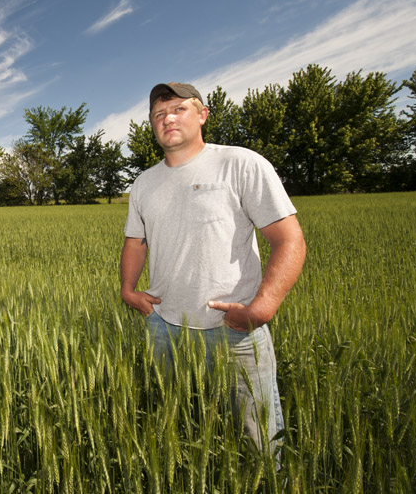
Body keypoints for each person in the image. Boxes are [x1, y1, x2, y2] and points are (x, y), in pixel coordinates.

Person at [120, 82, 306, 452]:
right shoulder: (144, 182)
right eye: (159, 114)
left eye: (178, 109)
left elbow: (289, 240)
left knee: (260, 440)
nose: (167, 118)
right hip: (163, 325)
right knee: (176, 428)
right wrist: (128, 289)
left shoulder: (240, 163)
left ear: (203, 114)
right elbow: (135, 241)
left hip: (233, 327)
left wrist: (263, 307)